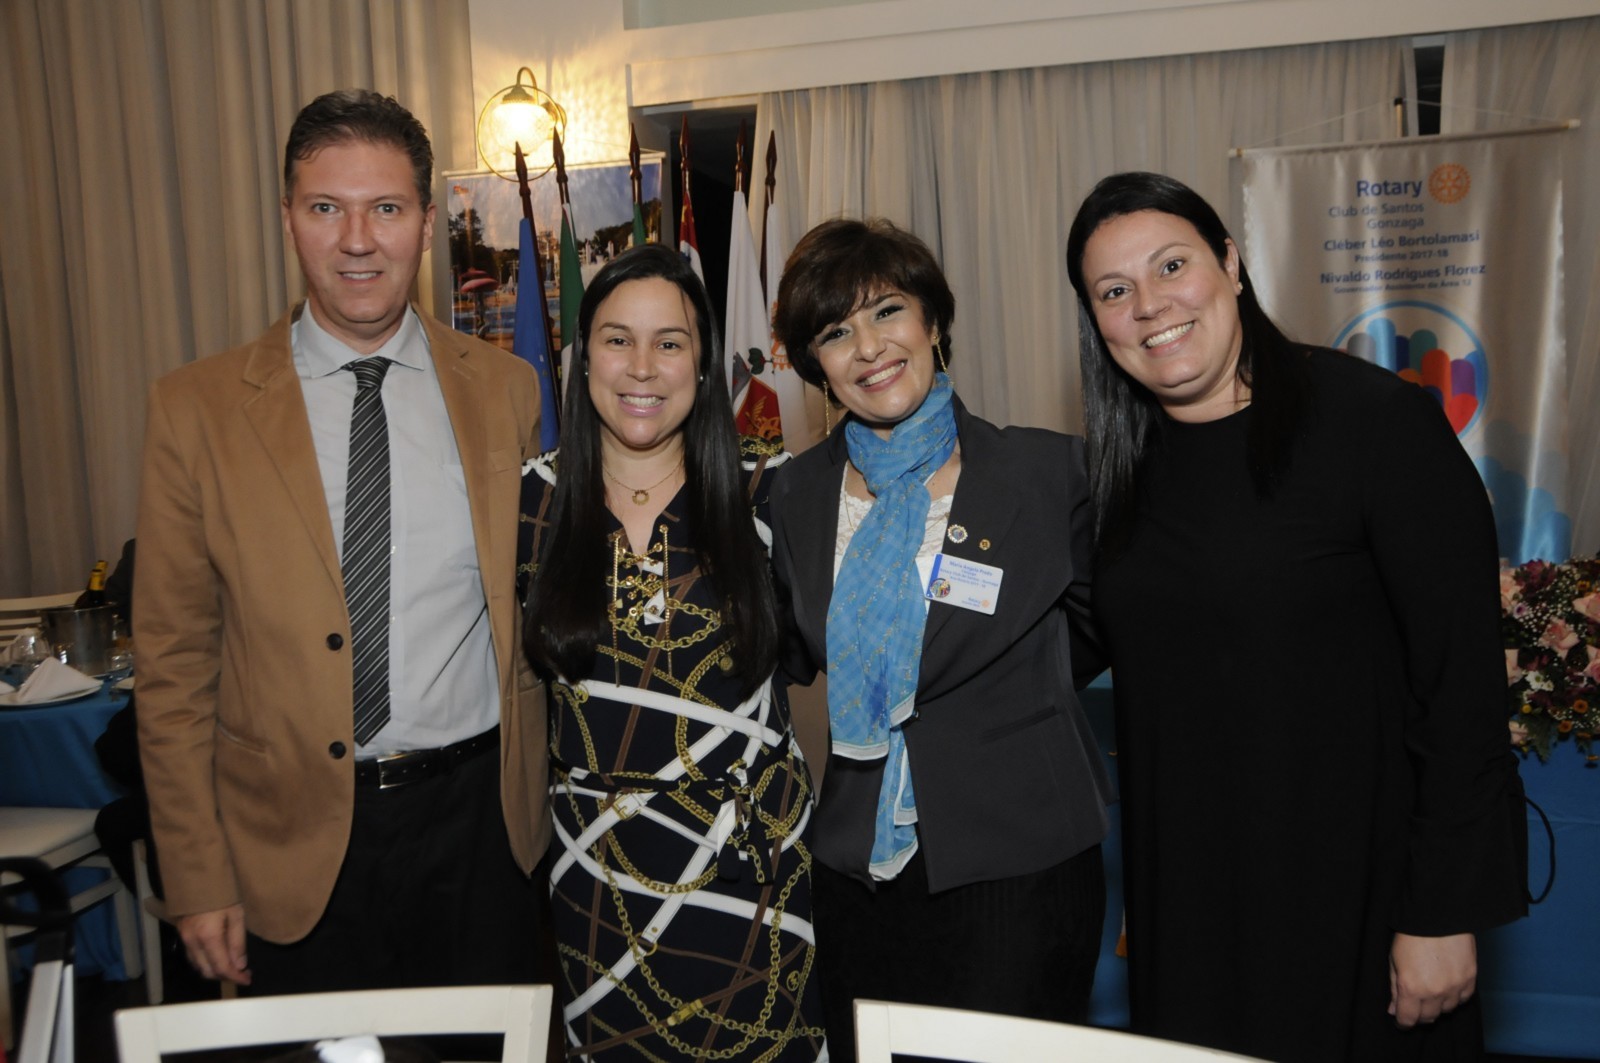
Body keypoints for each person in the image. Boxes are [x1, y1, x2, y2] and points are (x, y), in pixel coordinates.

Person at [1064, 171, 1528, 1062]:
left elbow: (1461, 685)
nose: (1150, 304)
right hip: (1191, 912)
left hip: (1360, 905)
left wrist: (1442, 910)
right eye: (1114, 291)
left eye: (1172, 266)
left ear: (1231, 263)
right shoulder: (1121, 473)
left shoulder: (1374, 424)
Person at [134, 89, 548, 995]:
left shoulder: (507, 390)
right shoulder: (195, 410)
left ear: (427, 224)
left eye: (386, 208)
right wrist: (195, 873)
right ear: (288, 218)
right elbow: (172, 667)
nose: (358, 240)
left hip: (482, 833)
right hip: (286, 845)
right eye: (327, 207)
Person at [769, 218, 1112, 1059]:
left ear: (932, 320)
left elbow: (1098, 629)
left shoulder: (1047, 474)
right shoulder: (793, 496)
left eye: (888, 311)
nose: (869, 348)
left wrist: (1008, 708)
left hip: (1019, 863)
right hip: (856, 874)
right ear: (815, 362)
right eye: (835, 331)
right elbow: (784, 651)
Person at [519, 244, 825, 1060]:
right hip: (598, 885)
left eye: (670, 342)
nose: (643, 367)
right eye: (618, 339)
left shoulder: (775, 491)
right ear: (583, 360)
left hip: (750, 880)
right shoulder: (528, 503)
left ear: (703, 361)